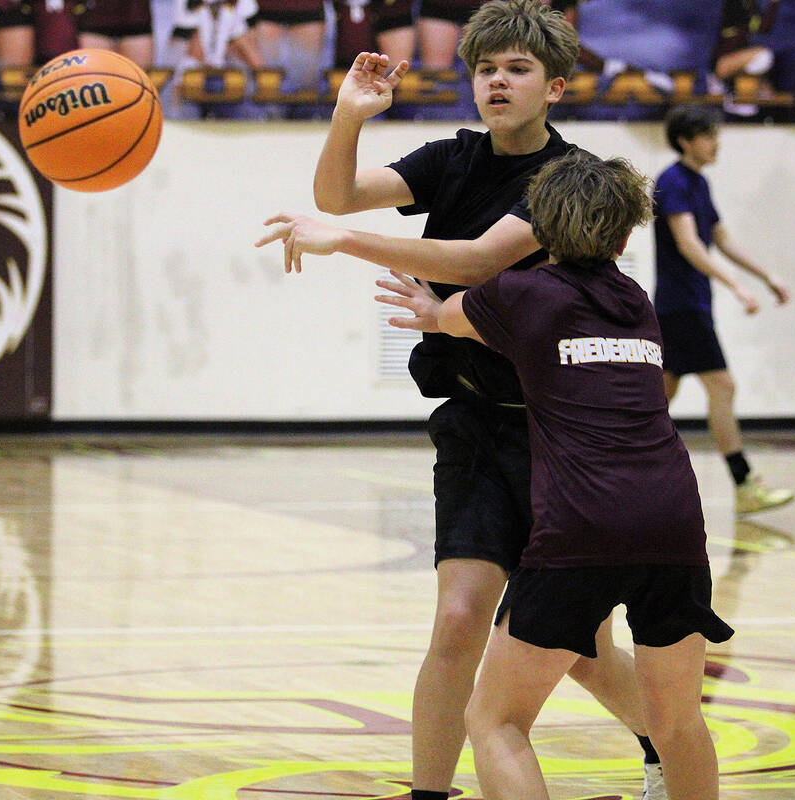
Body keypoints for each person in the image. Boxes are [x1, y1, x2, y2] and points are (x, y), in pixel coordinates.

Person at [255, 3, 667, 798]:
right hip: (477, 424)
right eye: (485, 68)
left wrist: (344, 242)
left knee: (581, 648)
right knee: (455, 622)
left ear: (553, 87)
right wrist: (349, 115)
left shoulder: (567, 179)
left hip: (562, 437)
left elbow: (477, 261)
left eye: (516, 68)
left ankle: (660, 736)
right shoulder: (452, 157)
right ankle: (428, 795)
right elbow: (336, 195)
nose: (497, 82)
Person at [376, 149, 733, 800]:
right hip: (677, 524)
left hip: (582, 526)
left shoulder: (519, 295)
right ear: (626, 239)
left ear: (538, 224)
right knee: (681, 722)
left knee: (495, 720)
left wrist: (430, 310)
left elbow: (446, 317)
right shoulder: (637, 300)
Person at [652, 103, 794, 515]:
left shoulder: (698, 183)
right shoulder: (673, 181)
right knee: (722, 386)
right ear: (685, 140)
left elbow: (721, 239)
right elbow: (689, 243)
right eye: (708, 136)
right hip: (682, 306)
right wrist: (735, 286)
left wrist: (767, 276)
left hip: (689, 304)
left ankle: (609, 470)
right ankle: (745, 483)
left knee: (659, 396)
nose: (717, 144)